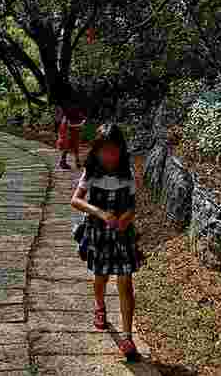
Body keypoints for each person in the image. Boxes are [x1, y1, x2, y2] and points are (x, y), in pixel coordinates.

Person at [70, 123, 143, 361]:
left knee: (125, 280)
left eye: (113, 150)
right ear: (96, 151)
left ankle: (127, 337)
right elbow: (76, 201)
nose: (108, 155)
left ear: (121, 150)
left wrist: (125, 218)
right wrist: (101, 213)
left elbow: (132, 206)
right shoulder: (91, 172)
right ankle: (100, 307)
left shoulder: (128, 173)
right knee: (100, 277)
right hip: (98, 233)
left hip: (122, 234)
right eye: (103, 150)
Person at [58, 95, 86, 170]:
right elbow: (69, 122)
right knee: (66, 145)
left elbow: (81, 116)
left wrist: (82, 121)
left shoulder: (75, 107)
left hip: (73, 126)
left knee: (75, 144)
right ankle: (63, 162)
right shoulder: (69, 108)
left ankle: (77, 162)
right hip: (68, 126)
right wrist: (80, 123)